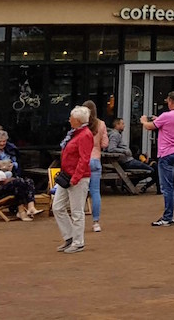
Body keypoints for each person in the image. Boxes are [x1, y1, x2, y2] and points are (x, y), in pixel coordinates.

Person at [141, 90, 174, 226]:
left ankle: (167, 217)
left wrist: (144, 121)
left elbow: (150, 127)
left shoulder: (166, 115)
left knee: (167, 187)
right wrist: (159, 120)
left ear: (171, 101)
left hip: (167, 153)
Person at [53, 105, 94, 254]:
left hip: (78, 177)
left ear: (77, 120)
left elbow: (84, 159)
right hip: (68, 175)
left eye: (71, 117)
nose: (69, 119)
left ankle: (78, 241)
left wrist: (76, 178)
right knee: (57, 207)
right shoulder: (76, 133)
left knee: (77, 211)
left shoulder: (83, 135)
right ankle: (70, 237)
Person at [81, 100, 110, 233]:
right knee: (95, 192)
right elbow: (105, 144)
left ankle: (79, 220)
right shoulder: (101, 124)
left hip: (83, 160)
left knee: (80, 192)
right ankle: (96, 222)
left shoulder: (81, 124)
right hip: (96, 159)